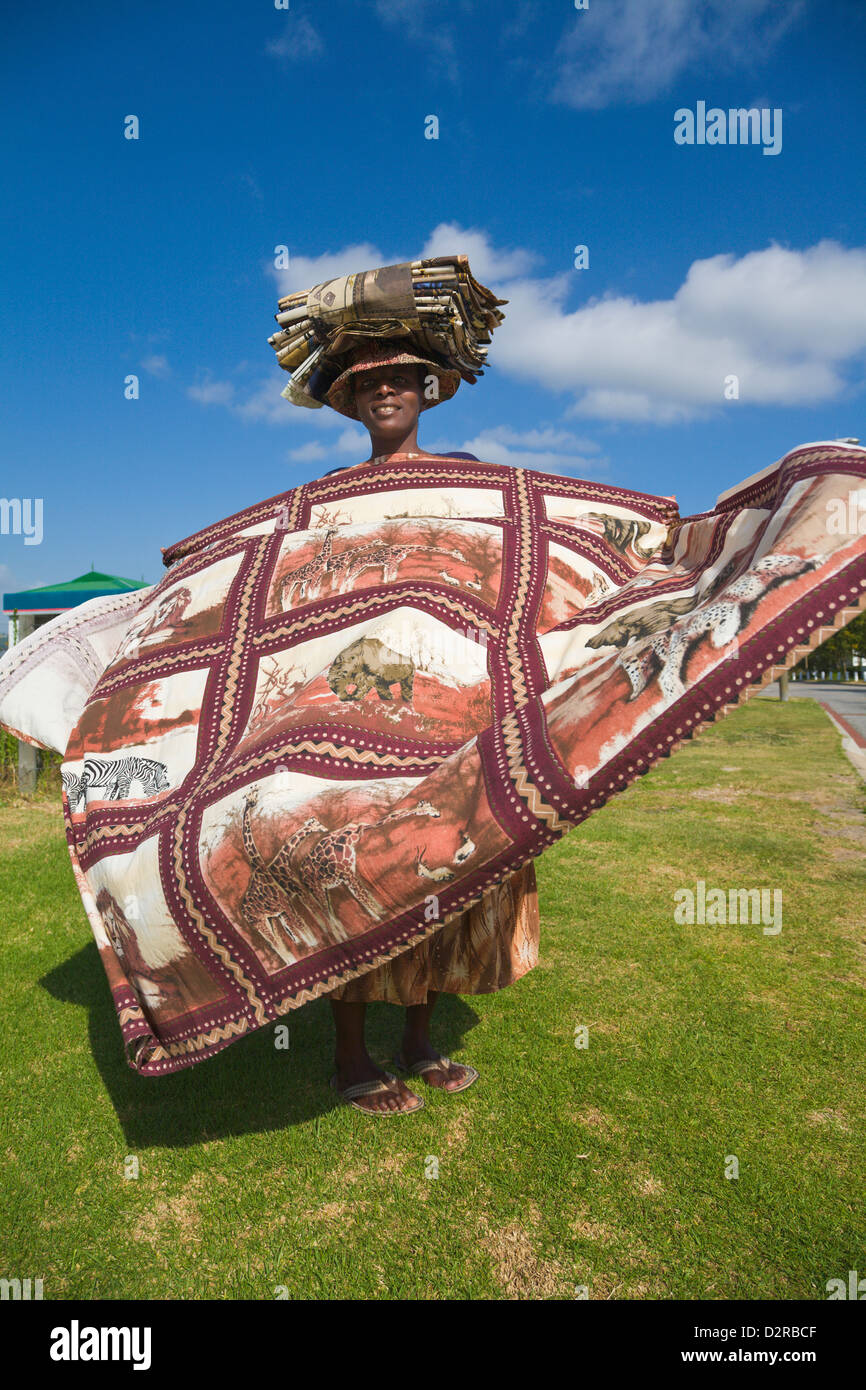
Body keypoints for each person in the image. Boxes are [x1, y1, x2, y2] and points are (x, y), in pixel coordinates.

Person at [318, 339, 540, 1115]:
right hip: (358, 708)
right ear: (351, 401)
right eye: (367, 383)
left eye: (398, 379)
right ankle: (349, 1056)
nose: (385, 391)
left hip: (444, 703)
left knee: (437, 869)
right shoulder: (331, 497)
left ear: (426, 389)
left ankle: (417, 1040)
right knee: (352, 867)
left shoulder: (465, 476)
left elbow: (503, 564)